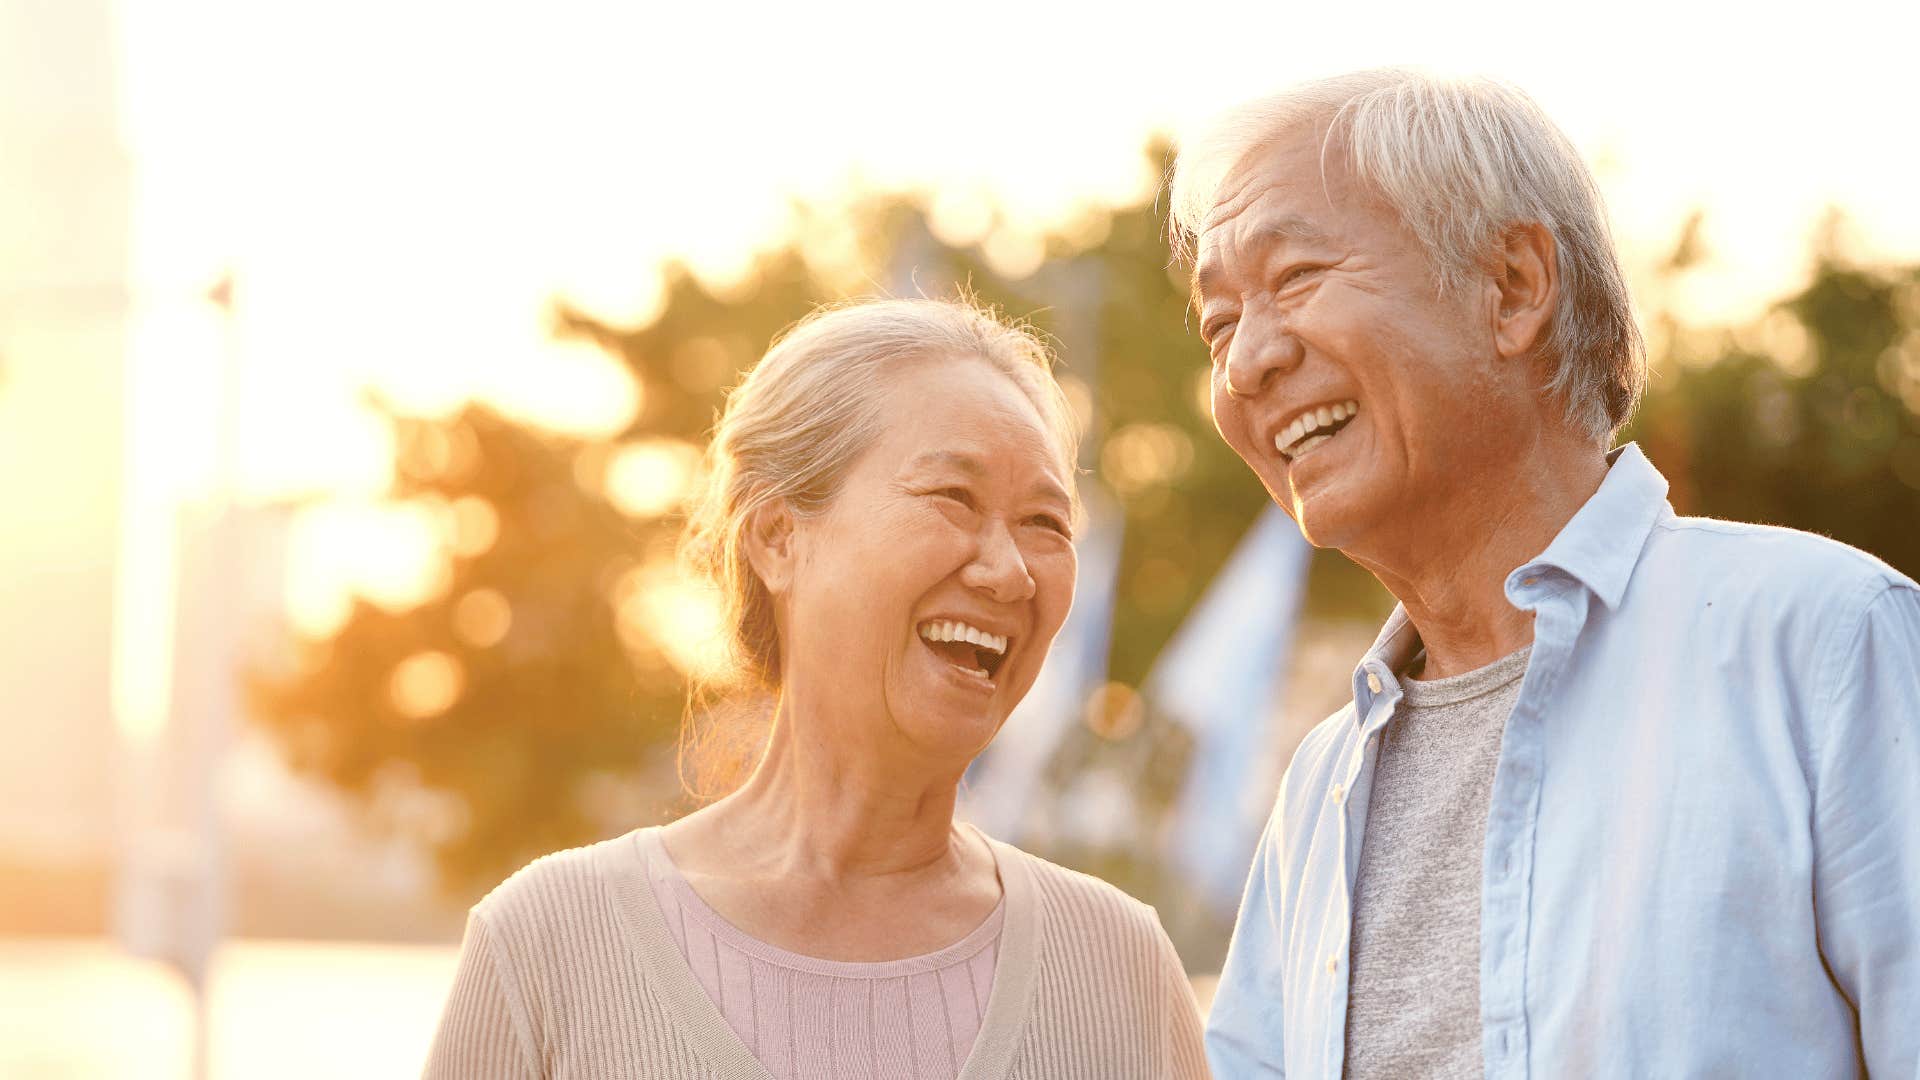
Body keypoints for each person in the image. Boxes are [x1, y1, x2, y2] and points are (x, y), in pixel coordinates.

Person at [1171, 69, 1920, 1077]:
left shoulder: (1827, 641)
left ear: (1514, 287)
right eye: (1219, 325)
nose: (1246, 362)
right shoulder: (1320, 784)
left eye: (1297, 276)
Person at [423, 297, 1208, 1079]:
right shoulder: (549, 947)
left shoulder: (1120, 968)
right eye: (953, 498)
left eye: (1046, 522)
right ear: (777, 537)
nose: (1009, 571)